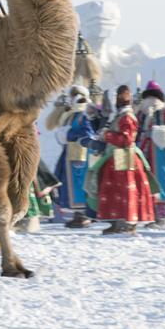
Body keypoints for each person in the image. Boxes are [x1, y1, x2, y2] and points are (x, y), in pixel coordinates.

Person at [86, 85, 156, 235]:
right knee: (113, 190)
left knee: (126, 190)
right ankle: (116, 221)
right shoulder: (119, 116)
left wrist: (107, 135)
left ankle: (128, 222)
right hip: (115, 157)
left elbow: (127, 139)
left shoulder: (127, 117)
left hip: (125, 159)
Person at [46, 85, 97, 228]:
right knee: (67, 183)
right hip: (70, 154)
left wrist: (69, 134)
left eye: (75, 96)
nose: (72, 98)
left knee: (78, 185)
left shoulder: (84, 115)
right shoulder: (73, 115)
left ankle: (83, 215)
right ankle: (77, 215)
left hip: (79, 156)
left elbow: (88, 134)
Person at [136, 80, 165, 228]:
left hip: (161, 151)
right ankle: (151, 214)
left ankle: (162, 215)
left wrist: (164, 133)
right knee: (147, 180)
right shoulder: (141, 114)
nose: (151, 100)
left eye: (153, 97)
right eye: (148, 97)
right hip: (144, 149)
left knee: (161, 180)